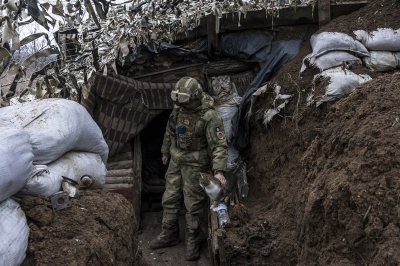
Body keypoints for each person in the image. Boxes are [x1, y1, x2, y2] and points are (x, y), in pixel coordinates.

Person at [149, 77, 228, 261]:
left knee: (193, 204)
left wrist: (219, 171)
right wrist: (165, 151)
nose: (181, 105)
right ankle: (169, 235)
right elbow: (170, 131)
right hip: (176, 161)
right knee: (169, 198)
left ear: (196, 97)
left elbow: (219, 146)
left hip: (195, 164)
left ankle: (192, 241)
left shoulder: (210, 116)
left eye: (186, 101)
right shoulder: (179, 109)